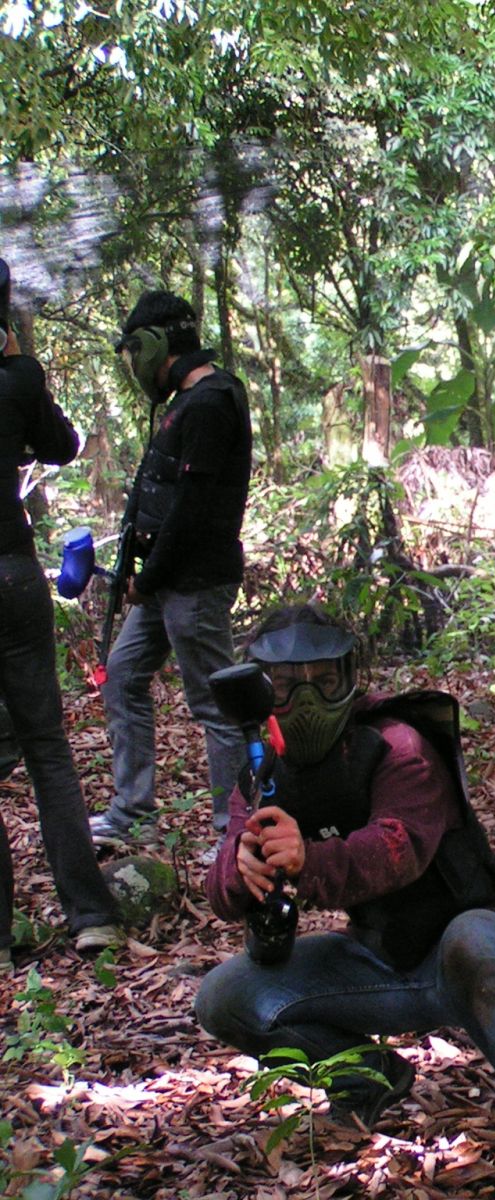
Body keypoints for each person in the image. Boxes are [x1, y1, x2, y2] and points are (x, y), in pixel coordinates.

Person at [194, 605, 495, 1200]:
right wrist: (242, 869)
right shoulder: (264, 770)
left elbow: (399, 849)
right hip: (379, 960)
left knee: (474, 940)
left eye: (324, 681)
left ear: (349, 677)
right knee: (226, 997)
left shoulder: (397, 744)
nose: (305, 701)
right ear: (261, 690)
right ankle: (369, 1080)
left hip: (476, 950)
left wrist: (309, 860)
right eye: (284, 686)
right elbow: (222, 885)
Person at [88, 290, 250, 848]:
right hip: (170, 581)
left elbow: (192, 510)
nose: (134, 362)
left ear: (157, 344)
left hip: (194, 582)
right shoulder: (190, 400)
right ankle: (133, 814)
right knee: (123, 676)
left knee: (215, 702)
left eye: (135, 348)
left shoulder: (209, 402)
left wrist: (150, 578)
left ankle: (235, 832)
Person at [0, 267, 122, 960]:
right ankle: (91, 915)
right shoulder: (17, 380)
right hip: (12, 574)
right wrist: (17, 359)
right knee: (47, 750)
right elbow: (64, 444)